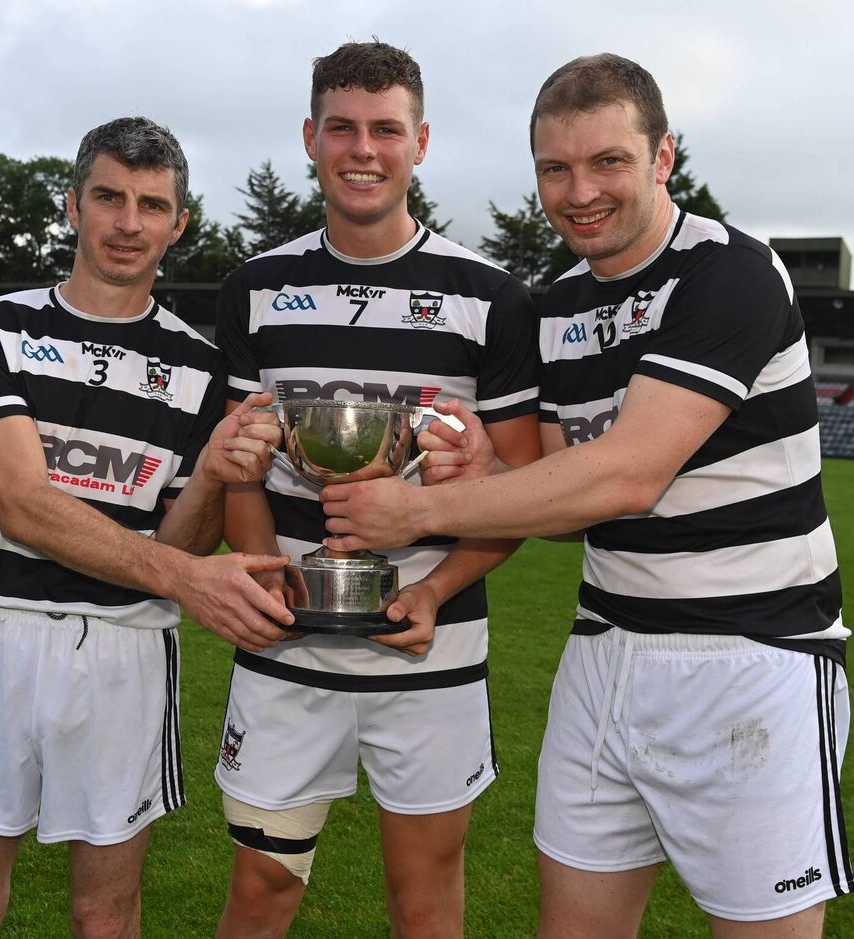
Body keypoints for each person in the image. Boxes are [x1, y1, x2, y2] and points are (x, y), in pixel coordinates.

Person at [321, 53, 854, 939]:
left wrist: (418, 511)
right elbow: (569, 493)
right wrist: (478, 471)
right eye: (555, 168)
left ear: (663, 158)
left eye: (608, 160)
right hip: (606, 649)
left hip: (755, 654)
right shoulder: (554, 305)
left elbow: (629, 473)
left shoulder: (731, 272)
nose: (580, 192)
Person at [0, 116, 294, 939]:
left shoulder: (199, 367)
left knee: (105, 915)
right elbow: (22, 504)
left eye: (152, 204)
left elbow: (178, 544)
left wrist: (213, 471)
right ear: (72, 206)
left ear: (179, 224)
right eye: (109, 197)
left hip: (124, 648)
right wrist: (187, 580)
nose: (127, 222)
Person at [212, 41, 542, 938]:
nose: (365, 149)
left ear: (421, 142)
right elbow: (241, 463)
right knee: (261, 890)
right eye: (344, 128)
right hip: (286, 648)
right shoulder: (256, 290)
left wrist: (434, 588)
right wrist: (258, 570)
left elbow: (523, 487)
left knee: (425, 899)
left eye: (386, 129)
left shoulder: (490, 300)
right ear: (311, 137)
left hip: (432, 650)